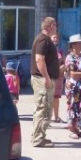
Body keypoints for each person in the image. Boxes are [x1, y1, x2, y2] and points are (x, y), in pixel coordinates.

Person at [30, 17, 60, 148]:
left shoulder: (45, 39)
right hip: (42, 80)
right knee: (43, 109)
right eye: (55, 25)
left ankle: (38, 136)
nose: (56, 28)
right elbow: (39, 60)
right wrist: (47, 78)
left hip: (43, 79)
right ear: (50, 26)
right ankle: (38, 139)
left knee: (43, 109)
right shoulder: (43, 40)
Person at [64, 34, 81, 139]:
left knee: (79, 106)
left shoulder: (80, 56)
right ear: (74, 45)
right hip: (73, 86)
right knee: (72, 106)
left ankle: (77, 128)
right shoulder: (70, 57)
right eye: (80, 43)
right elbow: (73, 74)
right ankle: (72, 129)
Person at [51, 33, 65, 123]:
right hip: (50, 76)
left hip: (58, 77)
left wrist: (61, 68)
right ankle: (46, 118)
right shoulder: (47, 50)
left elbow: (65, 62)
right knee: (48, 98)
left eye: (57, 38)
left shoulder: (60, 51)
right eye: (54, 37)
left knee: (56, 98)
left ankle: (56, 117)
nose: (55, 39)